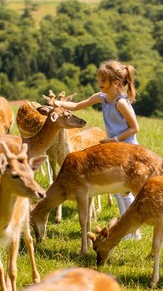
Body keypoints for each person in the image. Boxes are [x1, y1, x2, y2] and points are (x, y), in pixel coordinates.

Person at [57, 60, 142, 240]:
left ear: (116, 82)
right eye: (99, 78)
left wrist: (114, 139)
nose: (99, 82)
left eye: (103, 79)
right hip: (115, 150)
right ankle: (129, 230)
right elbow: (77, 106)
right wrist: (58, 103)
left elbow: (135, 128)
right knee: (119, 190)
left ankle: (132, 231)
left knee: (126, 191)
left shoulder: (121, 103)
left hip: (128, 150)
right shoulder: (102, 97)